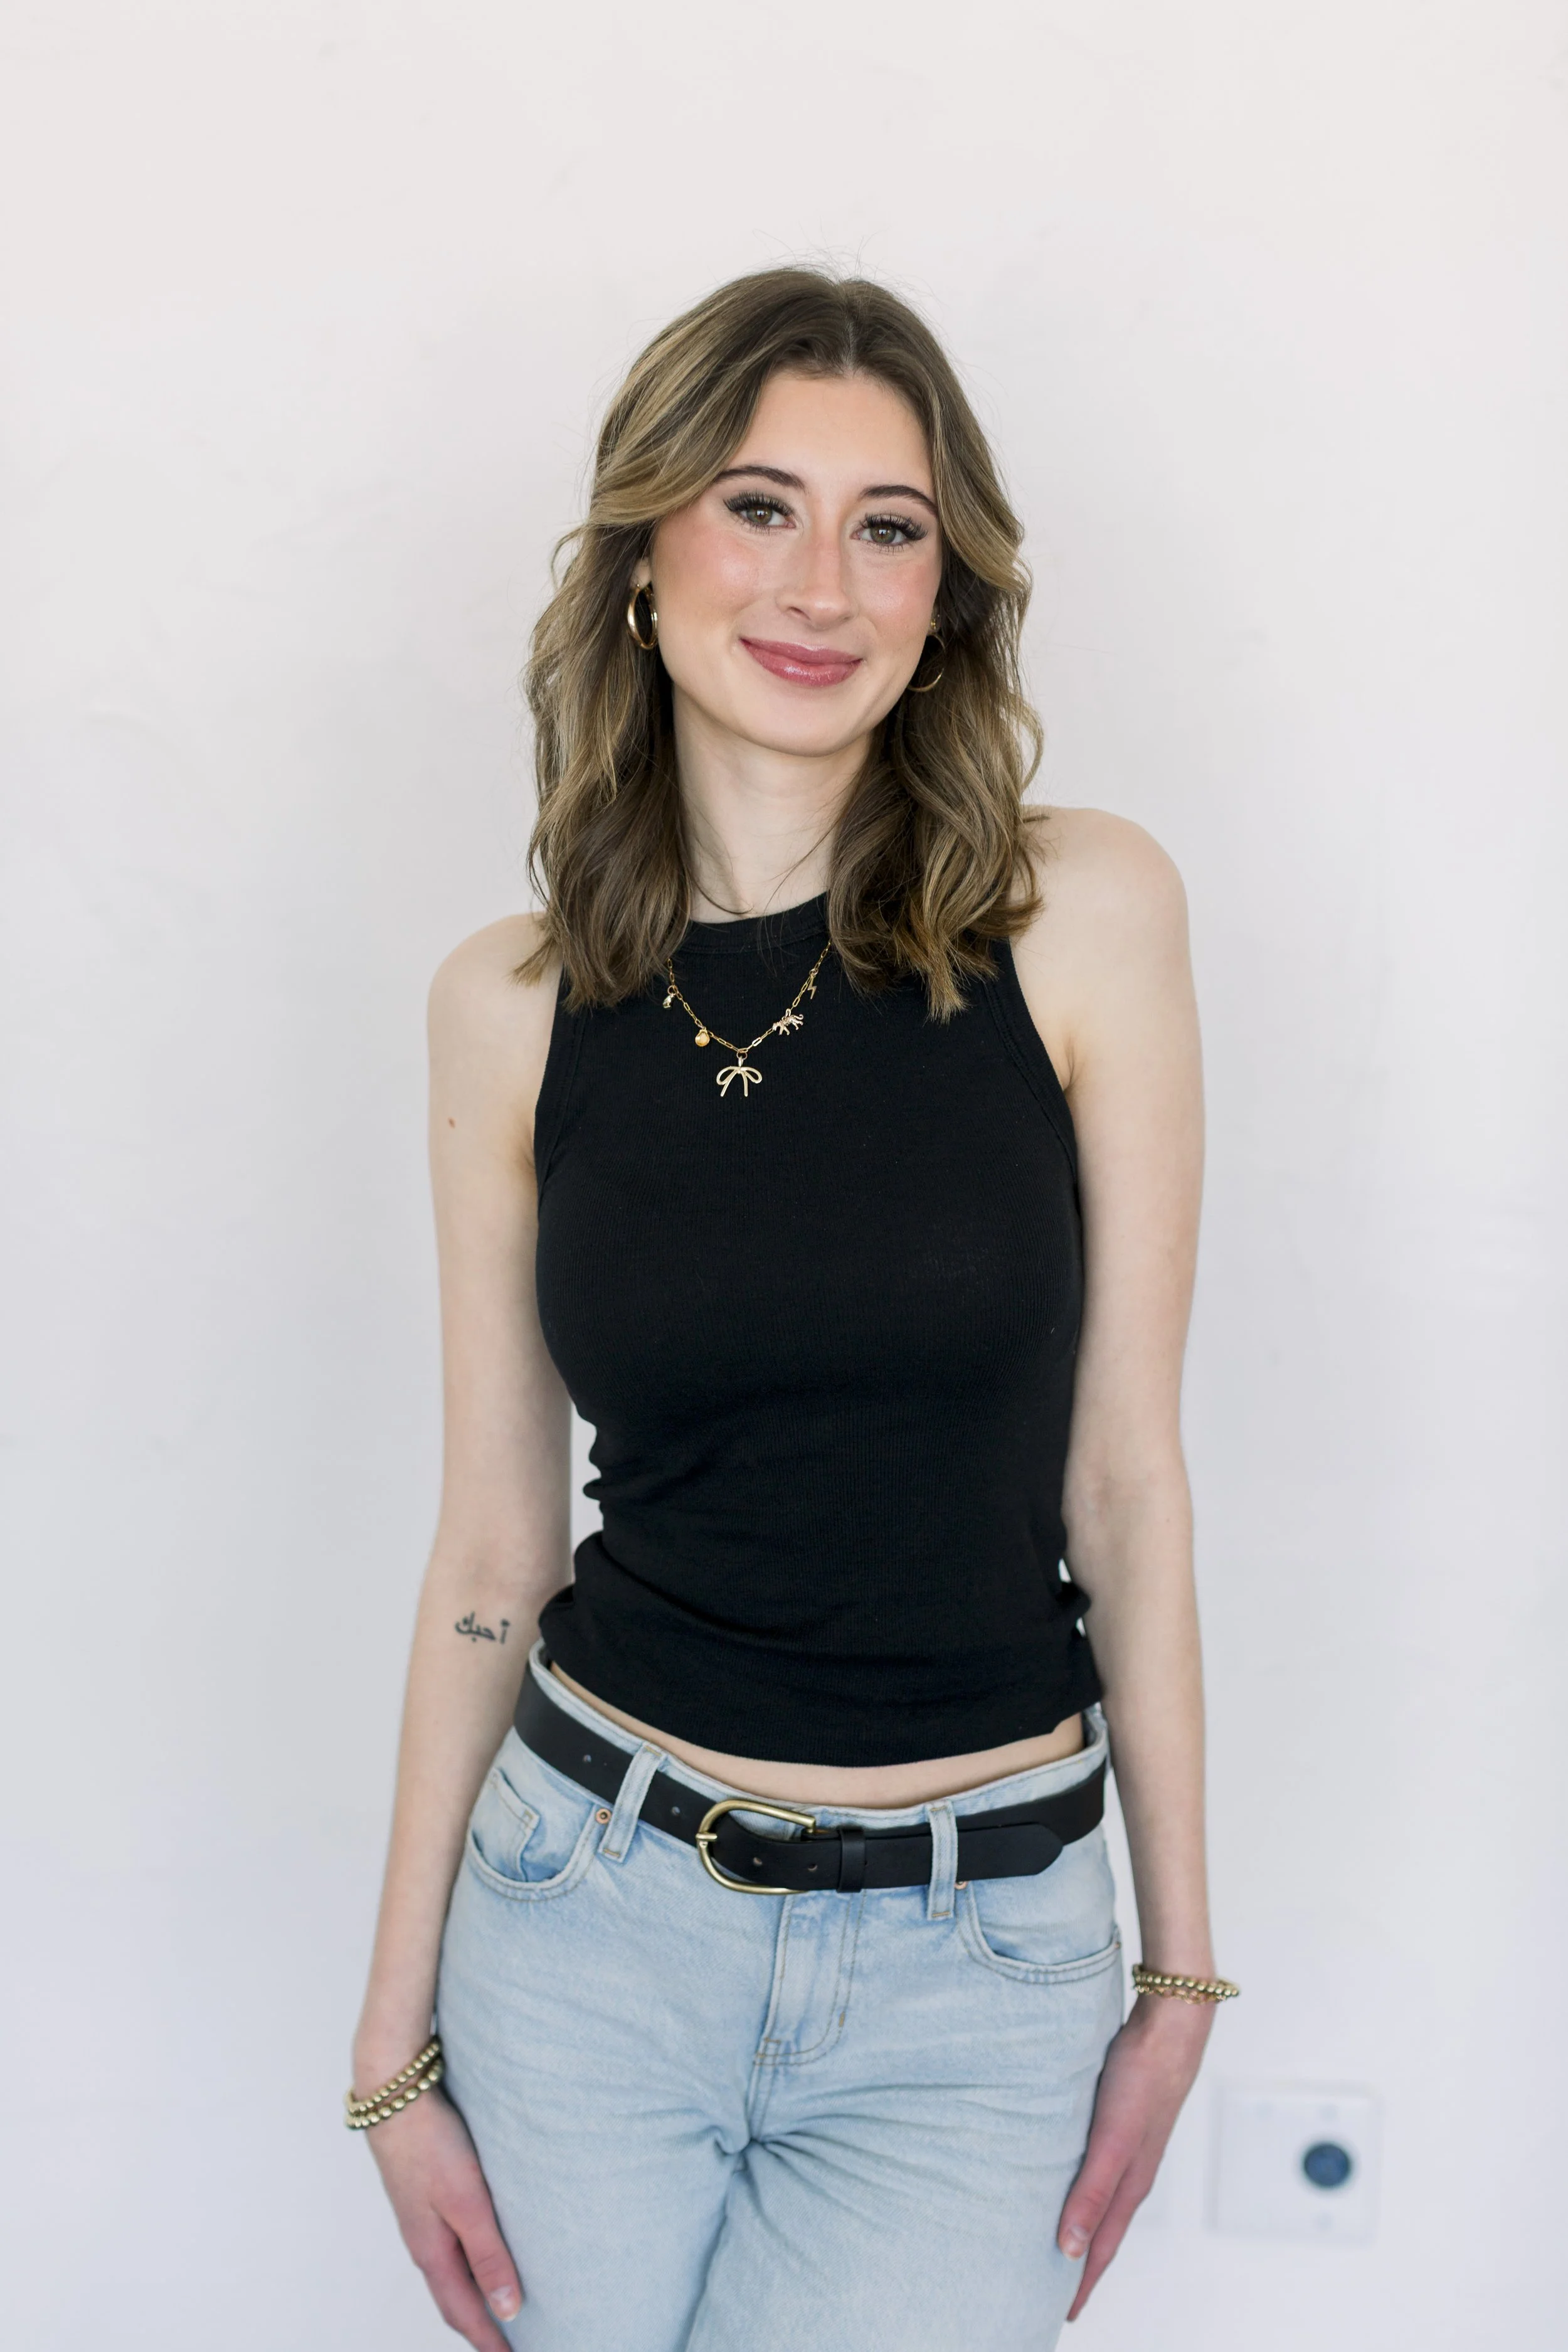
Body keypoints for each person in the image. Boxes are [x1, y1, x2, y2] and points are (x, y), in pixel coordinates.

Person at [349, 267, 1237, 2352]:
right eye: (756, 505)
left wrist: (1178, 1974)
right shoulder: (503, 1007)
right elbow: (495, 1543)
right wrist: (392, 2043)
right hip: (585, 1914)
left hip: (979, 1958)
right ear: (643, 555)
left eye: (887, 523)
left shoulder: (1078, 913)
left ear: (948, 591)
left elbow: (1125, 1484)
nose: (819, 580)